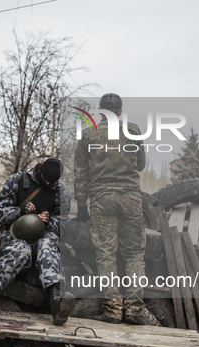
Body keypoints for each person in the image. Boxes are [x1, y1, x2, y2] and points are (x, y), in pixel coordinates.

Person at [0, 158, 76, 325]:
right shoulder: (17, 181)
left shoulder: (61, 191)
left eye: (51, 182)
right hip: (13, 232)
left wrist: (49, 221)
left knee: (48, 246)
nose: (47, 184)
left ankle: (56, 303)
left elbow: (66, 227)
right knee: (21, 250)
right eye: (44, 180)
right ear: (39, 171)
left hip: (44, 235)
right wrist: (19, 212)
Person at [74, 93, 148, 324]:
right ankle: (135, 309)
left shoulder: (87, 134)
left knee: (106, 255)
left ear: (99, 112)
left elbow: (81, 173)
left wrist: (81, 205)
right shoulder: (134, 130)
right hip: (130, 199)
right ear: (120, 112)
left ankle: (113, 310)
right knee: (134, 253)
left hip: (101, 199)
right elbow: (142, 164)